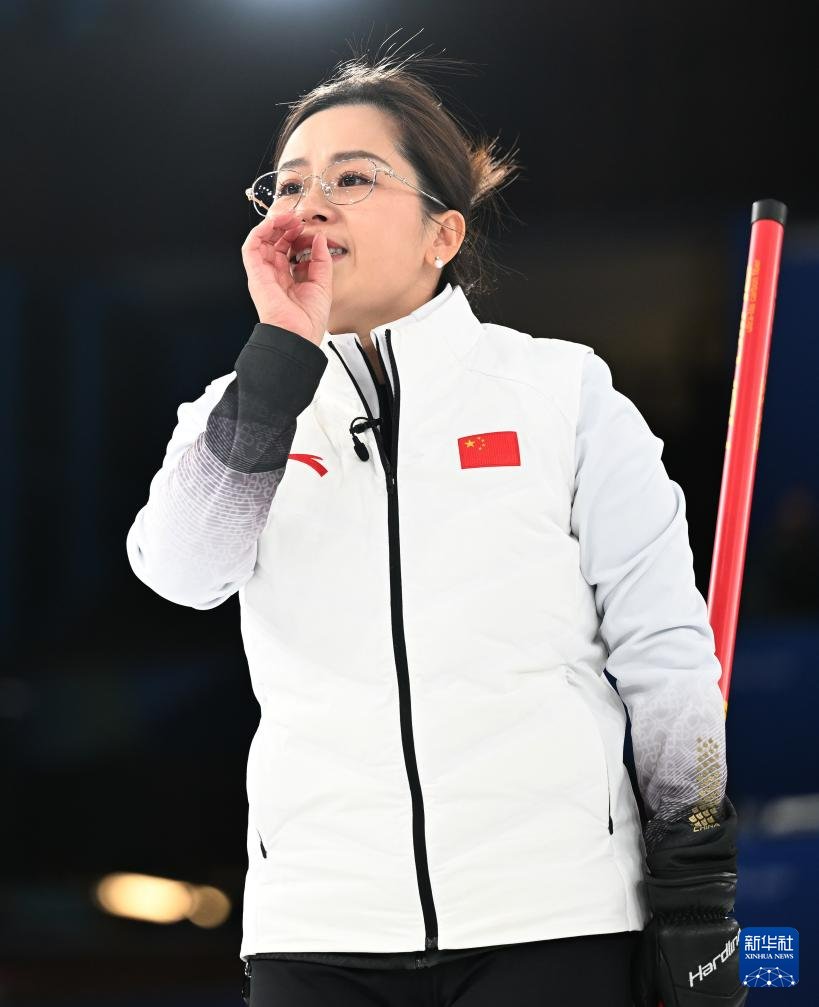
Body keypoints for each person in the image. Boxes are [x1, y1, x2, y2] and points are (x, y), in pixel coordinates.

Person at [126, 39, 747, 1007]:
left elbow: (664, 651)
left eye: (353, 177)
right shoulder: (237, 411)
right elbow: (182, 571)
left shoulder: (561, 392)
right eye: (287, 185)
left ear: (443, 234)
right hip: (320, 929)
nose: (309, 203)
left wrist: (697, 876)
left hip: (553, 919)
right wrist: (280, 358)